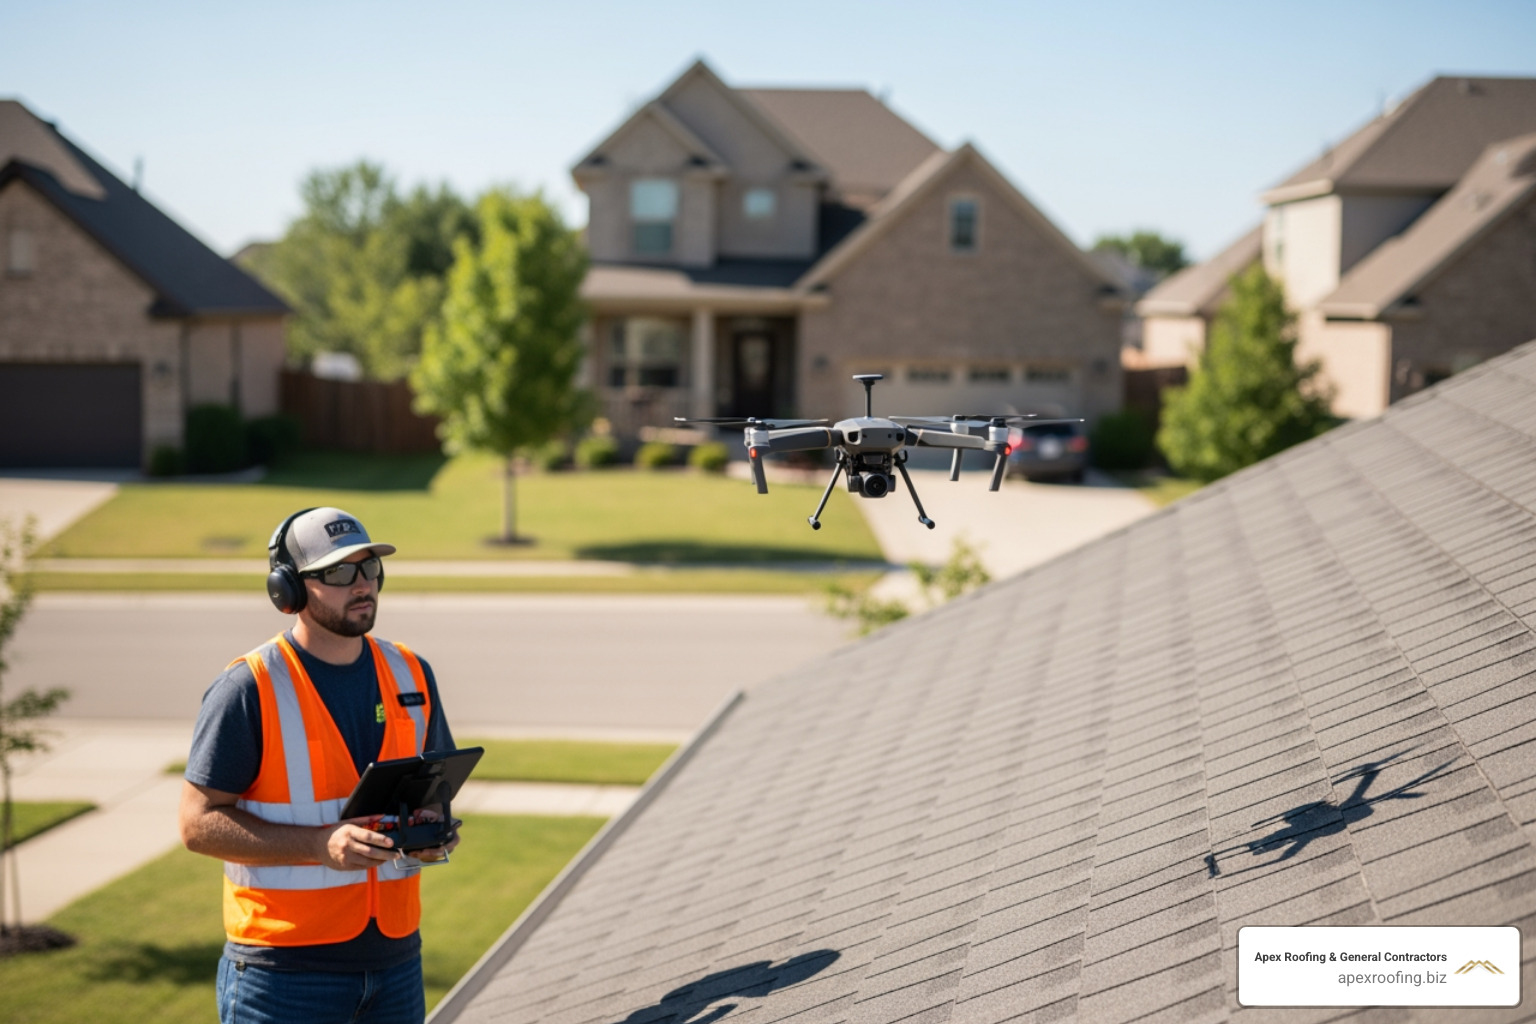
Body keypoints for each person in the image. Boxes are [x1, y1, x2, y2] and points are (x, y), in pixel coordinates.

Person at [179, 506, 458, 1024]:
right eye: (337, 571)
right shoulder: (249, 687)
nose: (361, 584)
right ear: (288, 590)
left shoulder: (411, 672)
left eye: (369, 566)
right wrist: (317, 844)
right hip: (282, 979)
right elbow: (197, 825)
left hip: (396, 965)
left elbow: (425, 788)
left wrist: (429, 829)